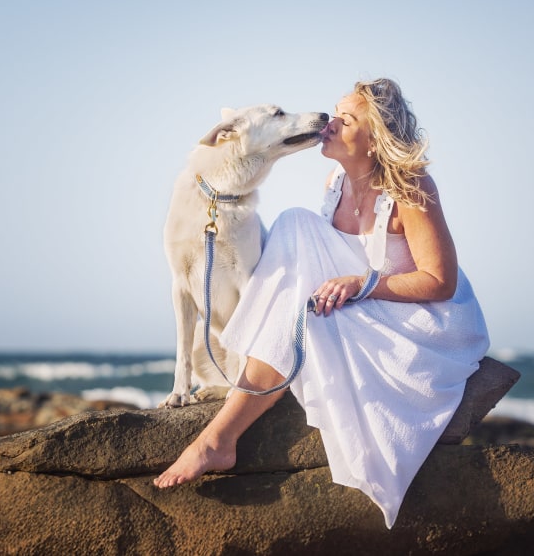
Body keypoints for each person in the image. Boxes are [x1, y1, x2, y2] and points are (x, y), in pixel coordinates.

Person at [154, 78, 490, 528]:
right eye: (335, 112)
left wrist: (361, 284)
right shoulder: (336, 182)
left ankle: (217, 439)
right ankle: (235, 390)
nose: (330, 122)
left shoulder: (410, 188)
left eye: (346, 119)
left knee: (306, 314)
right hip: (365, 297)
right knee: (294, 224)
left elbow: (439, 282)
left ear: (375, 140)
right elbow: (318, 262)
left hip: (419, 322)